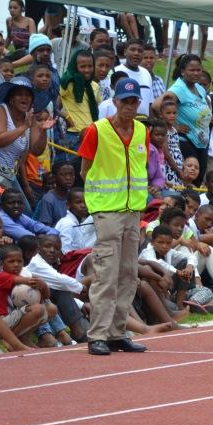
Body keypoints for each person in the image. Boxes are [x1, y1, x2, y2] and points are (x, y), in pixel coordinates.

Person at [77, 77, 151, 356]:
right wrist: (101, 201)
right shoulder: (97, 130)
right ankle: (98, 334)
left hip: (133, 211)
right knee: (106, 274)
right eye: (126, 101)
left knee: (128, 273)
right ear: (115, 101)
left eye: (135, 101)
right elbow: (85, 170)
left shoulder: (142, 131)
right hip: (108, 210)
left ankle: (117, 332)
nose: (130, 106)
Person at [0, 77, 51, 211]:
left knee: (26, 212)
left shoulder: (30, 118)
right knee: (3, 212)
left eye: (28, 95)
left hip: (9, 175)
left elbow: (37, 150)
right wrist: (24, 127)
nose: (24, 98)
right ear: (11, 98)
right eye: (19, 94)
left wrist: (43, 131)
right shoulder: (0, 110)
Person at [168, 54, 211, 186]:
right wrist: (175, 126)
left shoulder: (198, 87)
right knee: (188, 179)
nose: (196, 73)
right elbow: (157, 106)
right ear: (183, 71)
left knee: (198, 181)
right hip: (185, 140)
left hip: (201, 141)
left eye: (198, 70)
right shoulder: (178, 88)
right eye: (192, 70)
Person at [58, 49, 100, 156]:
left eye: (90, 66)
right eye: (82, 66)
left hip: (92, 134)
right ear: (75, 67)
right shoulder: (68, 84)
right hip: (75, 135)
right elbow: (55, 105)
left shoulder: (95, 86)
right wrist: (66, 117)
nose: (87, 70)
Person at [113, 40, 155, 117]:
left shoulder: (146, 73)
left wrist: (151, 122)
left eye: (140, 51)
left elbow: (150, 102)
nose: (136, 53)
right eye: (132, 50)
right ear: (125, 52)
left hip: (143, 124)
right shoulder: (115, 71)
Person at [56, 188, 96, 253]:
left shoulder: (76, 223)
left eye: (86, 202)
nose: (83, 206)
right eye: (78, 202)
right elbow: (65, 252)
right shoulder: (68, 224)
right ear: (68, 205)